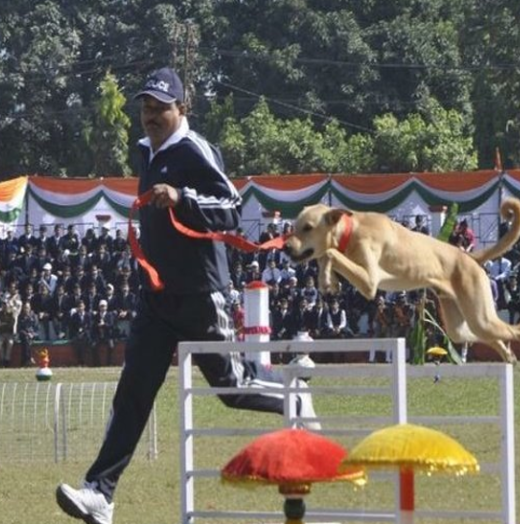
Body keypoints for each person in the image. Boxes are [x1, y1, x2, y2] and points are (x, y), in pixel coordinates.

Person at [56, 67, 318, 524]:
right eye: (146, 106)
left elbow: (232, 210)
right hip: (157, 298)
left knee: (232, 388)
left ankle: (293, 394)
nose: (151, 115)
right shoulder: (145, 152)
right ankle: (101, 493)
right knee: (133, 391)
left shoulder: (196, 151)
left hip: (201, 294)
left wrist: (181, 197)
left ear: (183, 109)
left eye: (161, 107)